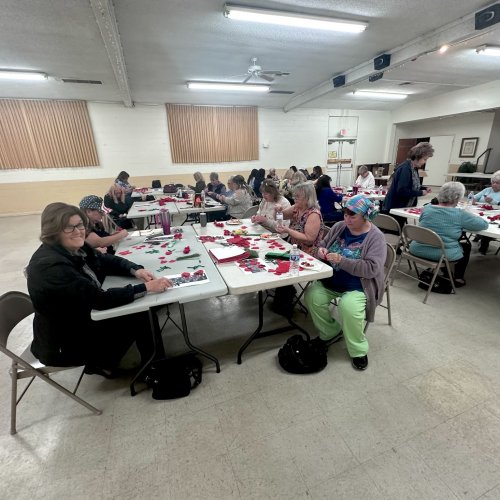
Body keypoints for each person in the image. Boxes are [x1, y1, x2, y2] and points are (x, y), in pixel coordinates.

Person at [26, 202, 172, 377]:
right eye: (69, 228)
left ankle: (110, 360)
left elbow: (105, 260)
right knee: (142, 314)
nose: (78, 231)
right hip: (64, 343)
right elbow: (99, 300)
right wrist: (146, 287)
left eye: (80, 225)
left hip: (79, 321)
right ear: (53, 231)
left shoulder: (73, 247)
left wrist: (136, 270)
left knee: (144, 307)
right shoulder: (50, 267)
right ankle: (154, 370)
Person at [304, 195, 386, 371]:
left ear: (365, 216)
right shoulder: (339, 227)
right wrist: (321, 251)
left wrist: (342, 261)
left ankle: (358, 350)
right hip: (331, 280)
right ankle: (330, 331)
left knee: (348, 308)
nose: (346, 219)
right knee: (311, 296)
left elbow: (372, 269)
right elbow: (322, 245)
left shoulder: (376, 238)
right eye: (345, 214)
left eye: (352, 216)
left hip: (358, 286)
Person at [410, 182, 488, 285]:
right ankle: (458, 278)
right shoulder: (459, 214)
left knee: (443, 237)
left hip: (416, 249)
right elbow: (483, 225)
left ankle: (445, 271)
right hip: (441, 254)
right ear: (458, 198)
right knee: (466, 246)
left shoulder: (427, 208)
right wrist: (470, 215)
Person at [384, 142, 434, 226]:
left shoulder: (413, 168)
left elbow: (411, 184)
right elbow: (402, 190)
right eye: (424, 159)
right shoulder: (405, 169)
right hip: (396, 206)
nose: (424, 162)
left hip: (403, 205)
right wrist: (420, 193)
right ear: (418, 156)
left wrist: (423, 188)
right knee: (396, 231)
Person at [276, 181, 323, 256]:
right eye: (294, 195)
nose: (294, 198)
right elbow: (281, 216)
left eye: (297, 196)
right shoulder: (297, 207)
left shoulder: (313, 214)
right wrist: (278, 211)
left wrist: (288, 230)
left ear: (307, 198)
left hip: (308, 253)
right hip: (294, 247)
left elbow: (309, 239)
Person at [472, 170, 500, 254]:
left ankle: (484, 243)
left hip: (494, 216)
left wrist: (493, 201)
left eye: (497, 183)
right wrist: (473, 199)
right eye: (493, 182)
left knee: (488, 226)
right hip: (480, 212)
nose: (494, 184)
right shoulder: (487, 190)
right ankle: (479, 235)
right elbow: (475, 197)